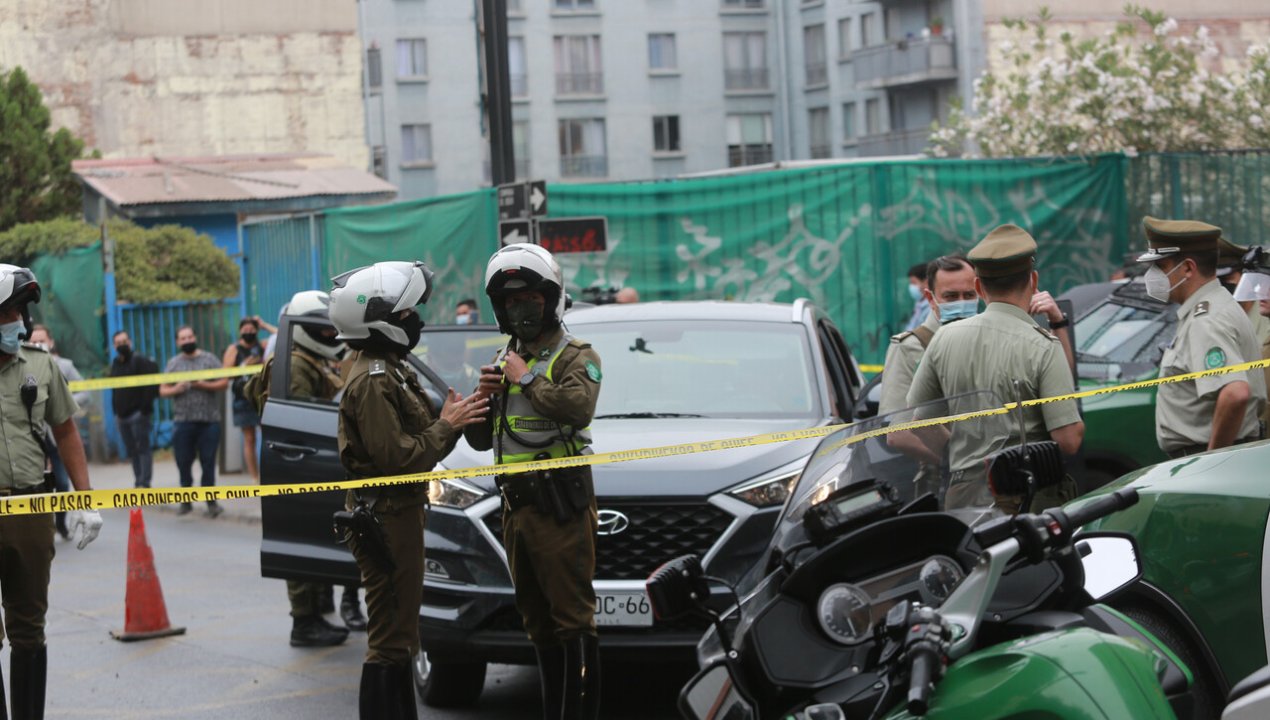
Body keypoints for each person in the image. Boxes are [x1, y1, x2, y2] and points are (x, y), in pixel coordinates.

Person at [330, 261, 487, 719]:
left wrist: (455, 417)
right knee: (389, 638)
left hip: (398, 514)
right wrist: (445, 427)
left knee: (400, 635)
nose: (414, 320)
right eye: (405, 315)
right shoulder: (373, 381)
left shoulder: (389, 369)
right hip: (386, 518)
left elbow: (425, 432)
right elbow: (400, 459)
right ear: (380, 323)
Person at [465, 243, 603, 720]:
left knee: (572, 621)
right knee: (537, 623)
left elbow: (576, 407)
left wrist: (524, 380)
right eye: (510, 302)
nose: (520, 309)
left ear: (551, 298)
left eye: (530, 299)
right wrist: (480, 400)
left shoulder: (575, 356)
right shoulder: (505, 356)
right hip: (516, 509)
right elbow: (484, 441)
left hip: (559, 507)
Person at [907, 224, 1085, 515]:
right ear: (1033, 280)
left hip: (963, 494)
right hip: (1026, 496)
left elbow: (920, 422)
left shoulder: (944, 338)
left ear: (978, 287)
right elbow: (1069, 440)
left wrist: (963, 452)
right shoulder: (1041, 345)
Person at [0, 264, 102, 718]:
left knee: (28, 628)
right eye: (10, 311)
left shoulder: (40, 365)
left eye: (21, 312)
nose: (19, 321)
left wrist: (86, 501)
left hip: (31, 507)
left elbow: (66, 433)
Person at [244, 291, 358, 647]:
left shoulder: (306, 358)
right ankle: (304, 622)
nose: (330, 337)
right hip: (297, 461)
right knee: (300, 536)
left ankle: (318, 606)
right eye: (322, 331)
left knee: (315, 533)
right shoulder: (294, 364)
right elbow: (298, 418)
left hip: (302, 459)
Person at [1136, 217, 1266, 457]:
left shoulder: (1206, 319)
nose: (1152, 276)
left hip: (1205, 459)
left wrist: (1210, 461)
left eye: (1160, 267)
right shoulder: (1214, 306)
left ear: (1187, 268)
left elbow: (1235, 392)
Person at [878, 254, 976, 416]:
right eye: (951, 296)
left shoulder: (989, 339)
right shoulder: (909, 347)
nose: (961, 303)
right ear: (930, 298)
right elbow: (897, 429)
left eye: (969, 295)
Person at [27, 325, 91, 541]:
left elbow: (85, 392)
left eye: (41, 340)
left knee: (62, 483)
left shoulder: (64, 366)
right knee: (34, 485)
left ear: (51, 342)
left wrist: (62, 404)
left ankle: (61, 523)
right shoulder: (20, 366)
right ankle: (39, 528)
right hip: (30, 440)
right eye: (33, 341)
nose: (37, 345)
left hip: (57, 435)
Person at [159, 326, 229, 517]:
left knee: (208, 462)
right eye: (183, 338)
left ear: (195, 337)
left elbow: (224, 382)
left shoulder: (209, 359)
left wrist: (203, 384)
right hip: (183, 422)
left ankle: (211, 502)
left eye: (190, 336)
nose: (187, 340)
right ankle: (186, 501)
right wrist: (177, 389)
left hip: (209, 421)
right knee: (183, 461)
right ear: (177, 342)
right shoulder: (174, 363)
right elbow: (163, 390)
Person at [109, 330, 159, 489]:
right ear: (114, 345)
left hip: (138, 414)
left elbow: (150, 385)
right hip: (122, 416)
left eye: (124, 341)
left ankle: (145, 483)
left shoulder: (139, 361)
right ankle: (138, 481)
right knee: (132, 451)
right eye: (118, 343)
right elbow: (114, 389)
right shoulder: (115, 364)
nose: (121, 345)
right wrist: (116, 412)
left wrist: (144, 410)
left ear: (129, 342)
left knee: (143, 449)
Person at [224, 318, 266, 483]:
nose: (249, 332)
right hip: (242, 399)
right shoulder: (234, 349)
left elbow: (279, 336)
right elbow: (225, 374)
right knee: (249, 439)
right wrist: (243, 366)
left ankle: (266, 474)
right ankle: (254, 477)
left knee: (267, 437)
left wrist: (263, 325)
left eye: (252, 329)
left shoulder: (262, 346)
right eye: (245, 329)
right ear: (240, 331)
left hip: (262, 397)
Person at [903, 262, 931, 331]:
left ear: (926, 282)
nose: (911, 287)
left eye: (914, 283)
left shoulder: (931, 308)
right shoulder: (919, 305)